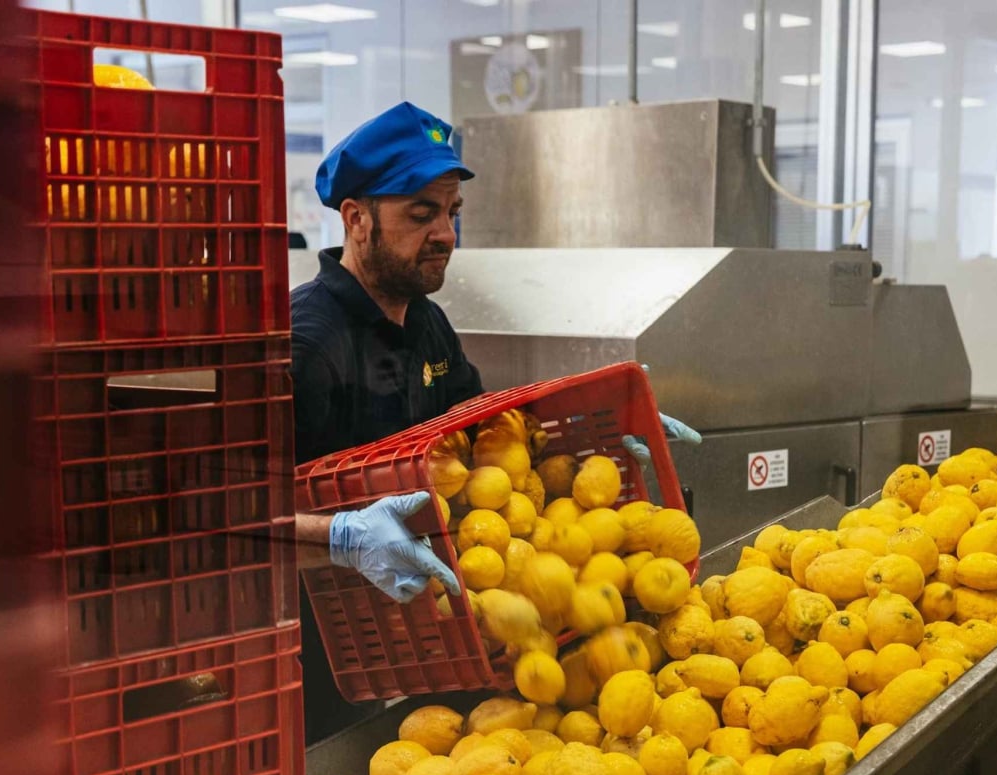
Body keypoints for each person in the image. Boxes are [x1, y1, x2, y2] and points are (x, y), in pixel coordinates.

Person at [291, 102, 699, 742]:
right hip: (327, 675)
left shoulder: (427, 323)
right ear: (356, 219)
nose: (446, 234)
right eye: (421, 213)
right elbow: (227, 517)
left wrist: (590, 442)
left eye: (452, 212)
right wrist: (340, 537)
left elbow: (491, 444)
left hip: (440, 643)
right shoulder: (306, 344)